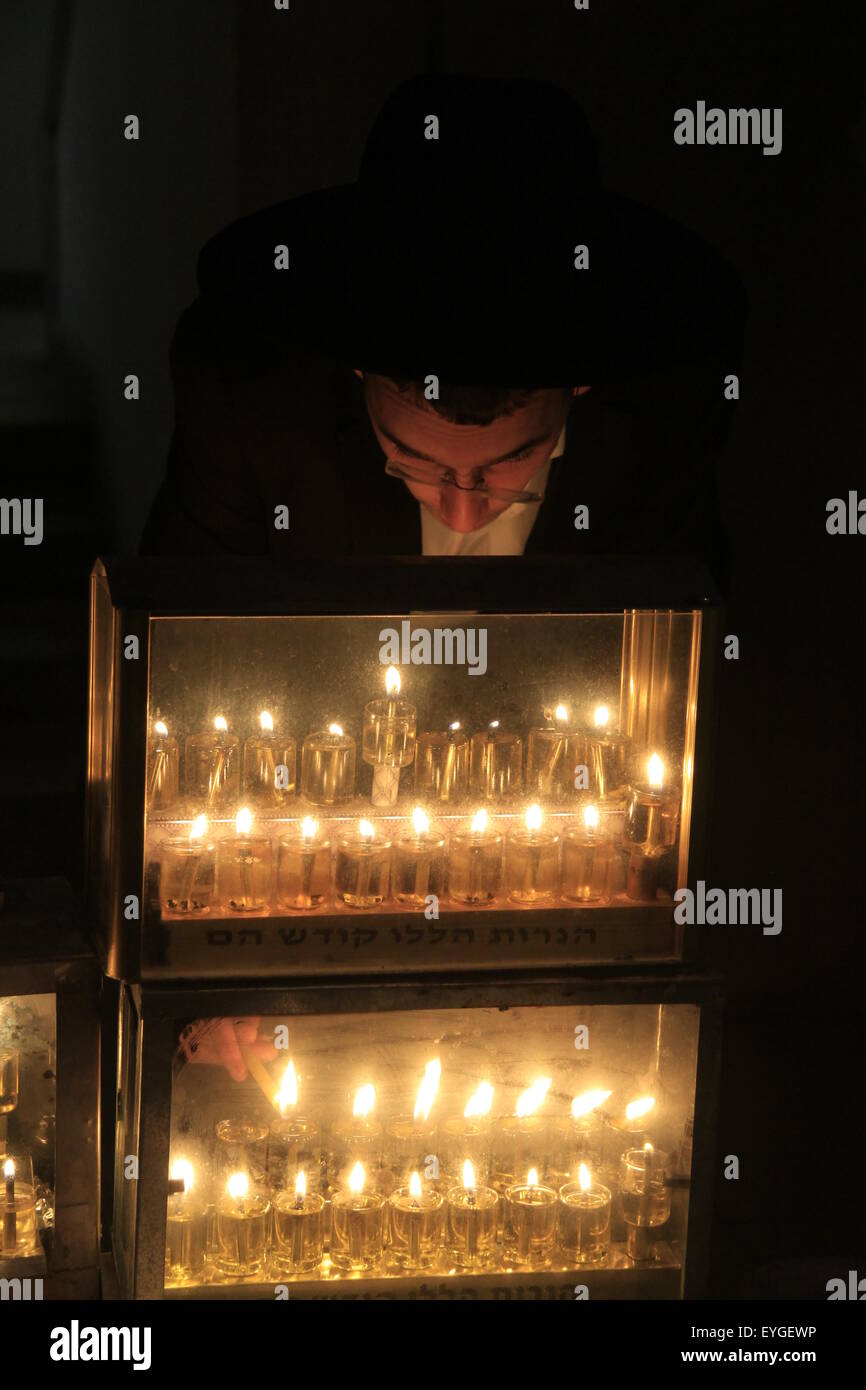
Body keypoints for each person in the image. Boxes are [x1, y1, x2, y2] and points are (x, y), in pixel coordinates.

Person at [142, 72, 746, 580]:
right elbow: (180, 633)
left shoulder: (663, 418)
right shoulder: (250, 408)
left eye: (513, 461)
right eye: (413, 458)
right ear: (358, 368)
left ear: (583, 381)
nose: (461, 514)